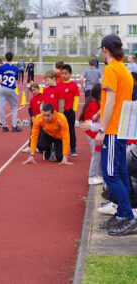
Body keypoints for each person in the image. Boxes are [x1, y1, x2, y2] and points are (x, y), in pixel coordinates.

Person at [95, 34, 137, 236]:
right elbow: (120, 101)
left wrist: (101, 129)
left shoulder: (111, 69)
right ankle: (122, 214)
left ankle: (128, 216)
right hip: (122, 129)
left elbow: (111, 101)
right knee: (120, 174)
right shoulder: (126, 70)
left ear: (105, 50)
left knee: (111, 175)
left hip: (112, 130)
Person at [0, 52, 22, 132]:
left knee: (2, 107)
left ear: (5, 58)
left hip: (3, 88)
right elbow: (16, 80)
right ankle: (14, 126)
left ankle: (4, 126)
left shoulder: (2, 67)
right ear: (13, 58)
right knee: (14, 107)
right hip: (11, 88)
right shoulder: (15, 68)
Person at [79, 83, 103, 185]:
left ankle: (98, 173)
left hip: (93, 132)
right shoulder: (94, 105)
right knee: (96, 155)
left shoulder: (93, 102)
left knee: (98, 154)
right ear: (99, 95)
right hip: (93, 133)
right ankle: (92, 175)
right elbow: (93, 122)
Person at [57, 64, 80, 157]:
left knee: (71, 130)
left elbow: (76, 97)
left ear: (70, 74)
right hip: (60, 112)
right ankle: (61, 148)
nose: (63, 75)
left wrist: (74, 109)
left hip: (69, 111)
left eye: (66, 73)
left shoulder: (73, 85)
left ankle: (73, 148)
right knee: (60, 130)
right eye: (62, 73)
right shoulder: (59, 84)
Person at [22, 83, 43, 153]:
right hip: (34, 120)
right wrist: (32, 117)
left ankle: (39, 146)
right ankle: (29, 146)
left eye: (35, 90)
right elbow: (30, 109)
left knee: (41, 133)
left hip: (42, 119)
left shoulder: (43, 97)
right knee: (33, 133)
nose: (34, 92)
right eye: (32, 91)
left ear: (38, 89)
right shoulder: (32, 99)